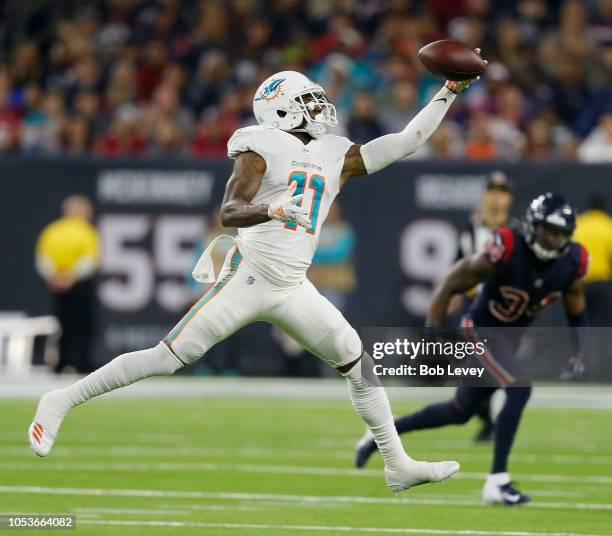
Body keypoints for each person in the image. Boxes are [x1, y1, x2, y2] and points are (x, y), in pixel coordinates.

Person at [28, 65, 483, 492]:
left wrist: (448, 91)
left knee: (357, 363)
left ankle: (397, 463)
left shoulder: (334, 152)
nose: (320, 105)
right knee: (170, 356)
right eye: (308, 99)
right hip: (248, 277)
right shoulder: (259, 145)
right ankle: (62, 399)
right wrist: (273, 208)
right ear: (280, 109)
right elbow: (229, 212)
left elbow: (407, 140)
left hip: (293, 286)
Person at [355, 193, 588, 504]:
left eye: (560, 234)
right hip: (480, 328)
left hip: (508, 339)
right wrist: (432, 330)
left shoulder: (571, 262)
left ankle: (381, 434)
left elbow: (575, 304)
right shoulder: (506, 247)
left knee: (459, 412)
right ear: (532, 225)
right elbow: (451, 281)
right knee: (519, 386)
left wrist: (580, 350)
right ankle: (497, 481)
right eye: (548, 230)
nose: (553, 240)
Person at [453, 171, 513, 442]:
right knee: (467, 371)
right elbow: (458, 266)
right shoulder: (469, 230)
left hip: (506, 309)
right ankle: (490, 420)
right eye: (492, 191)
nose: (496, 197)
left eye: (502, 192)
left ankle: (496, 423)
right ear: (484, 196)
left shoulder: (516, 230)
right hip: (476, 307)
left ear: (509, 198)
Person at [35, 195, 100, 374]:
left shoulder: (53, 230)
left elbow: (43, 259)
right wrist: (70, 277)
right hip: (79, 285)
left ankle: (59, 363)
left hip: (58, 285)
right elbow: (89, 260)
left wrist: (55, 277)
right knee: (83, 325)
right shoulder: (85, 231)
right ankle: (81, 363)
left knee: (62, 324)